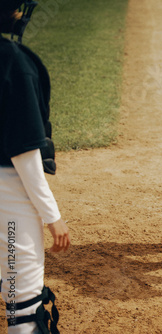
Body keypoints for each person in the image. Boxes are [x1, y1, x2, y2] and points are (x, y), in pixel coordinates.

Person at [0, 0, 70, 332]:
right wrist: (52, 217)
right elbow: (25, 155)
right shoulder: (14, 62)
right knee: (24, 304)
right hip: (9, 197)